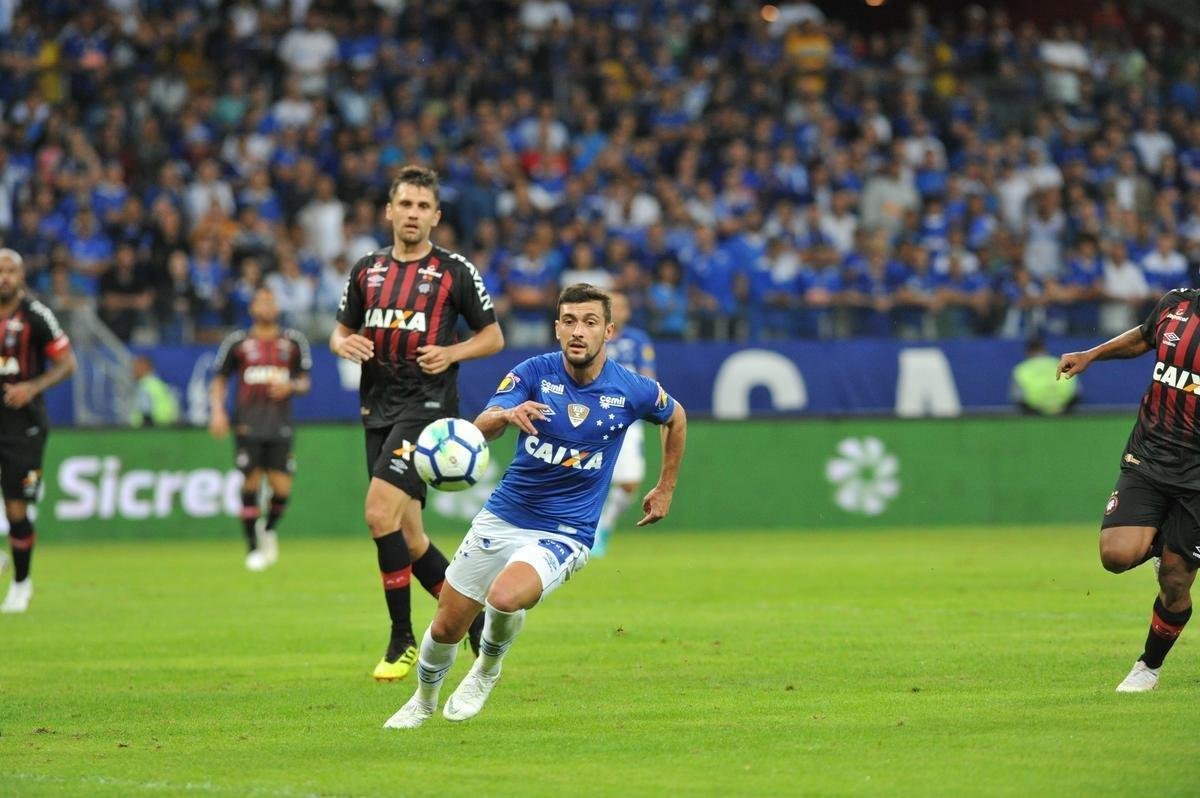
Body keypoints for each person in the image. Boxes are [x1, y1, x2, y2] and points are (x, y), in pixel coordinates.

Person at [383, 283, 687, 729]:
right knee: (446, 626)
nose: (578, 331)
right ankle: (423, 702)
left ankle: (486, 669)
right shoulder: (532, 373)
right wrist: (505, 416)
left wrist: (665, 487)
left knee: (505, 598)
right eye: (569, 321)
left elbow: (675, 417)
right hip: (504, 515)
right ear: (557, 328)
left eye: (589, 322)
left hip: (565, 531)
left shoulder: (630, 389)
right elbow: (478, 429)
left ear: (609, 331)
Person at [330, 165, 504, 681]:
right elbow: (338, 334)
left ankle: (403, 638)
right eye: (405, 204)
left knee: (378, 514)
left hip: (426, 411)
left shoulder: (453, 270)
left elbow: (492, 336)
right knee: (410, 537)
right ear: (389, 211)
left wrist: (452, 352)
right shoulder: (366, 270)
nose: (413, 214)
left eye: (423, 207)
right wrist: (347, 343)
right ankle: (471, 618)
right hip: (377, 407)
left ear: (436, 216)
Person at [1057, 287, 1200, 691]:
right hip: (1149, 457)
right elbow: (1142, 336)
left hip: (1198, 477)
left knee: (1175, 581)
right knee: (1115, 556)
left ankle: (1148, 667)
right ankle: (1164, 539)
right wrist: (1091, 355)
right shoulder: (1176, 305)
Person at [210, 287, 312, 572]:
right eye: (261, 301)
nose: (267, 306)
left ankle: (267, 528)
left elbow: (305, 382)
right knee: (250, 484)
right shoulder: (238, 342)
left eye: (271, 300)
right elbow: (219, 379)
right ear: (252, 308)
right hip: (248, 425)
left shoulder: (292, 341)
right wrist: (217, 410)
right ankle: (252, 548)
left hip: (280, 425)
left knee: (281, 489)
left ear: (277, 307)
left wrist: (291, 385)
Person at [0, 249, 77, 613]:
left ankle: (21, 584)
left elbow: (67, 364)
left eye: (10, 270)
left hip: (23, 426)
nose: (3, 277)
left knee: (17, 509)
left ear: (21, 276)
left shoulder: (36, 315)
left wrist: (31, 387)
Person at [592, 290, 657, 556]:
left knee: (630, 482)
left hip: (628, 419)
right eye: (613, 306)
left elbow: (648, 378)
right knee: (587, 475)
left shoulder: (637, 340)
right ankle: (582, 527)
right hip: (593, 417)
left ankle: (604, 525)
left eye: (622, 306)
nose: (618, 311)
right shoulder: (592, 337)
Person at [1011, 337, 1078, 415]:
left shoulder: (1021, 369)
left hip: (1034, 414)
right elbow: (1076, 391)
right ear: (1045, 350)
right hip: (1065, 411)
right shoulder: (1061, 364)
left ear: (1028, 352)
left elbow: (1017, 397)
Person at [130, 355, 181, 428]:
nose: (133, 371)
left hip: (152, 429)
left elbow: (146, 413)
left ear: (144, 367)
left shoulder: (146, 386)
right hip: (166, 427)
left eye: (136, 367)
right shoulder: (158, 384)